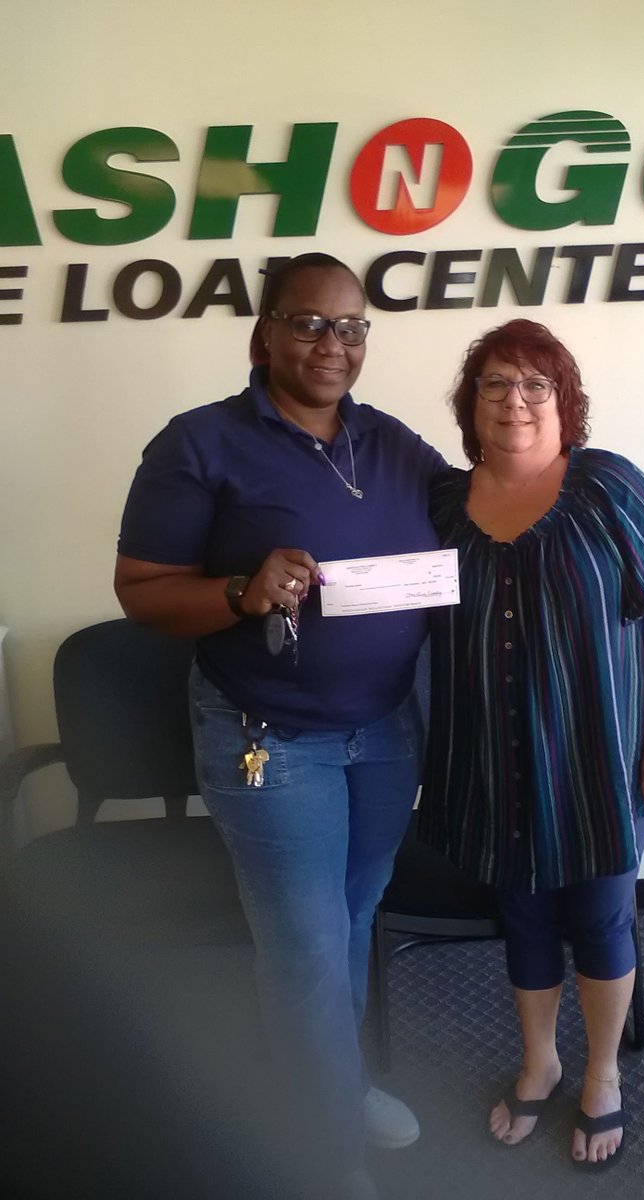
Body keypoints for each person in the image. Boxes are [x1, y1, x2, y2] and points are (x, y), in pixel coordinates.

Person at [114, 253, 444, 1200]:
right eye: (309, 323)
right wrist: (237, 591)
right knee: (304, 949)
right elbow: (141, 591)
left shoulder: (389, 443)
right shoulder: (199, 443)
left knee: (351, 921)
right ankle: (321, 1148)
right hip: (270, 740)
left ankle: (335, 1085)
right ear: (264, 335)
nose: (333, 345)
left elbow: (474, 519)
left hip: (384, 731)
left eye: (351, 327)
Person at [419, 318, 644, 1172]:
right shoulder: (440, 506)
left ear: (564, 402)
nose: (514, 400)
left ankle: (603, 1073)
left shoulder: (608, 487)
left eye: (535, 385)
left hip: (603, 755)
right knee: (523, 913)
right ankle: (541, 1062)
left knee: (600, 914)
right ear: (470, 403)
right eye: (495, 383)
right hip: (494, 756)